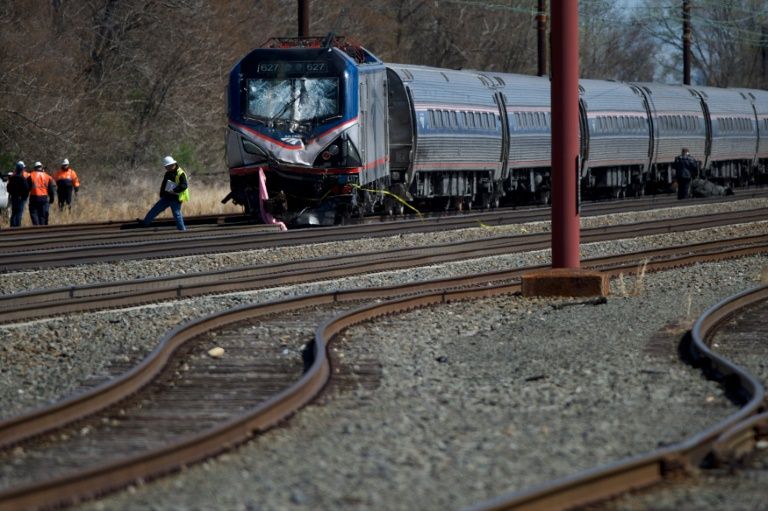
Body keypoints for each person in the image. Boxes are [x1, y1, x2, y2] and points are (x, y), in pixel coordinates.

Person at [141, 155, 189, 231]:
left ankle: (182, 230)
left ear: (172, 165)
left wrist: (174, 190)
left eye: (167, 166)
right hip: (167, 197)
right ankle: (144, 224)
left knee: (177, 215)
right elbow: (164, 184)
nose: (165, 168)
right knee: (155, 210)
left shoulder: (181, 173)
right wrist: (162, 194)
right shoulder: (168, 173)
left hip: (176, 198)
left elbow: (184, 185)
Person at [7, 161, 30, 227]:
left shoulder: (12, 178)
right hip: (21, 198)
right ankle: (17, 227)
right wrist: (24, 197)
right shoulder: (23, 179)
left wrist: (13, 194)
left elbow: (8, 188)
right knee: (19, 213)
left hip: (14, 197)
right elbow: (26, 189)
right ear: (22, 169)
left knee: (14, 212)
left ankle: (12, 226)